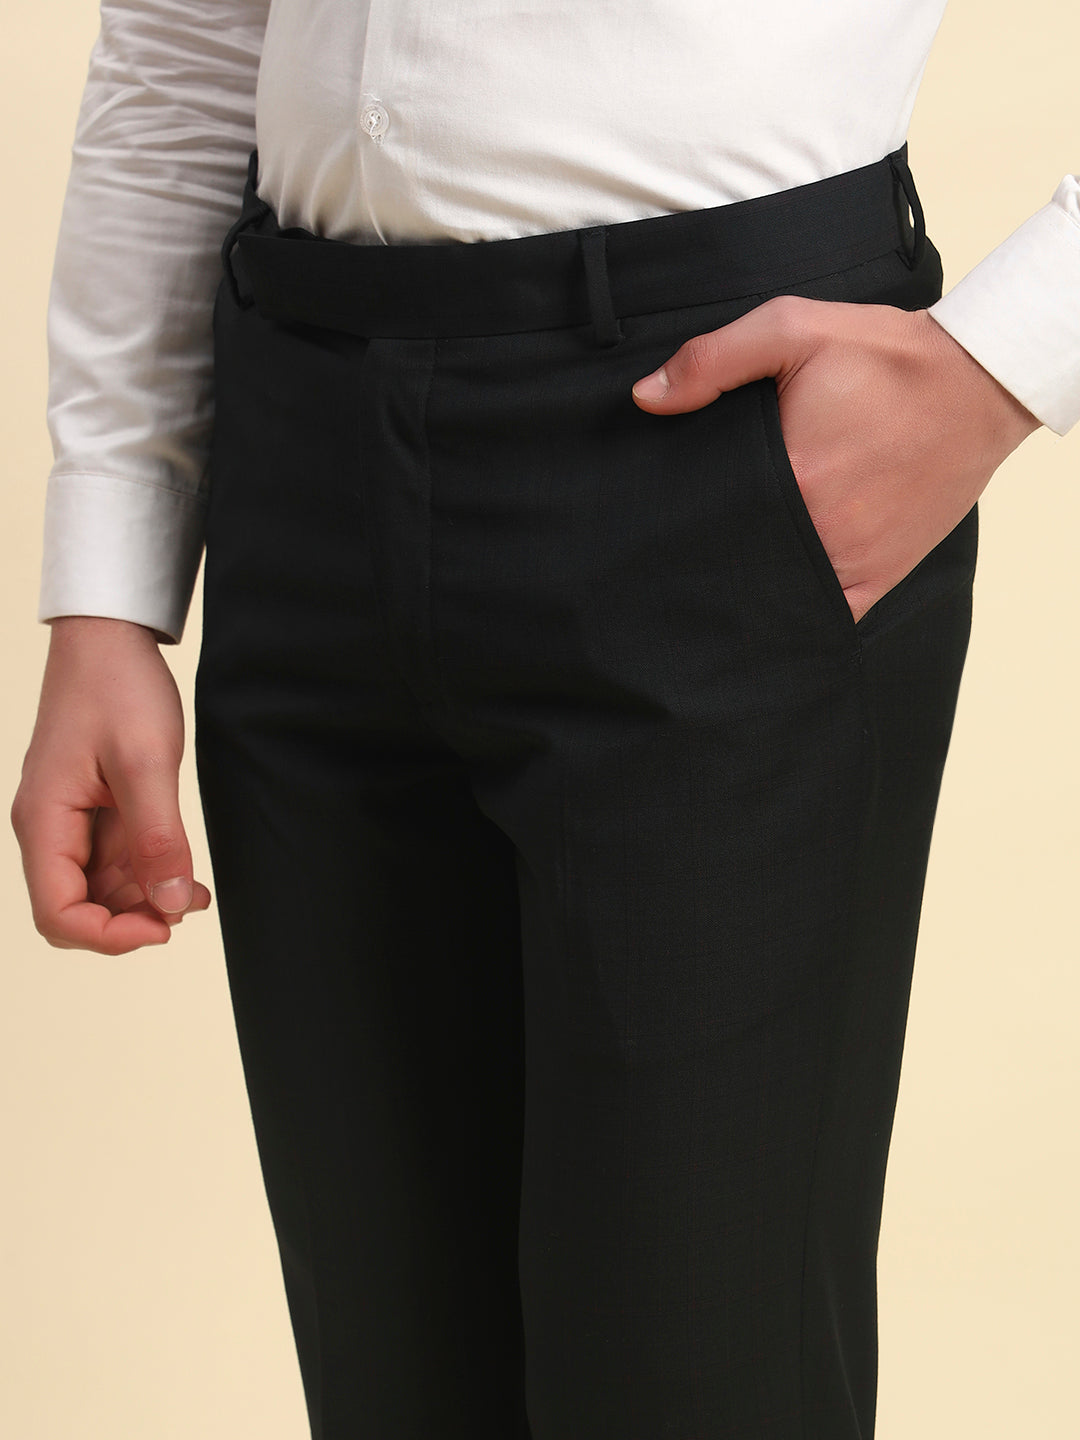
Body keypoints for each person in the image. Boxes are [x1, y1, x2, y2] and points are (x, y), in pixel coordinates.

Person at [9, 3, 1076, 1437]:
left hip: (720, 430)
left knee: (698, 1383)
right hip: (301, 438)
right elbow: (188, 34)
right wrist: (111, 578)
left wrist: (1006, 358)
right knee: (392, 1381)